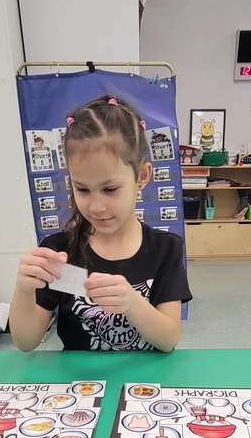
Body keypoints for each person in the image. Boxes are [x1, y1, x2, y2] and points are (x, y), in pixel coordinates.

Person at [10, 95, 192, 352]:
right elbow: (26, 342)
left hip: (142, 386)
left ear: (142, 176)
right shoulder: (62, 251)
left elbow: (168, 339)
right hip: (79, 388)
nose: (96, 207)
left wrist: (131, 301)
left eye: (110, 189)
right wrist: (23, 289)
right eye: (82, 189)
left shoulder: (165, 250)